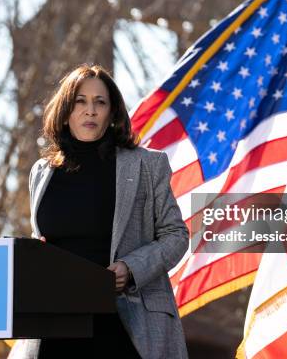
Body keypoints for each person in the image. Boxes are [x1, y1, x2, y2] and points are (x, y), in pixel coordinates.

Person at [28, 64, 189, 358]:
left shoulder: (146, 165)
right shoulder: (41, 172)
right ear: (65, 112)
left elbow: (176, 236)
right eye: (80, 101)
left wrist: (131, 268)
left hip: (123, 324)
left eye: (99, 102)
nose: (90, 110)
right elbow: (41, 240)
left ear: (112, 113)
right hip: (56, 324)